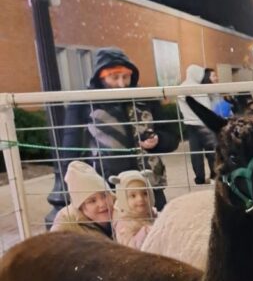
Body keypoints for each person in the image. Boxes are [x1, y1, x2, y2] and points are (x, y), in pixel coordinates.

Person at [62, 48, 181, 212]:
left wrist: (159, 140)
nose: (121, 83)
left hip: (148, 185)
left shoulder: (147, 98)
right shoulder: (83, 102)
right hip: (106, 188)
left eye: (126, 77)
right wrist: (70, 186)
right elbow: (70, 148)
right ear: (100, 77)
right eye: (114, 77)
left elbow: (172, 137)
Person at [51, 160, 115, 238]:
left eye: (104, 195)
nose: (102, 204)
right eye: (92, 201)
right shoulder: (66, 223)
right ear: (80, 206)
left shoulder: (125, 207)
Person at [178, 65, 218, 184]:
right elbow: (207, 107)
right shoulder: (199, 89)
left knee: (195, 153)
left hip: (190, 125)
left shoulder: (180, 88)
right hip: (204, 124)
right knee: (210, 151)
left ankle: (199, 178)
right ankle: (214, 176)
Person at [110, 169, 156, 249]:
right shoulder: (123, 223)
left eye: (145, 193)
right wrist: (145, 232)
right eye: (133, 196)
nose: (140, 199)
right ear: (122, 198)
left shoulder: (151, 212)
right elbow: (129, 248)